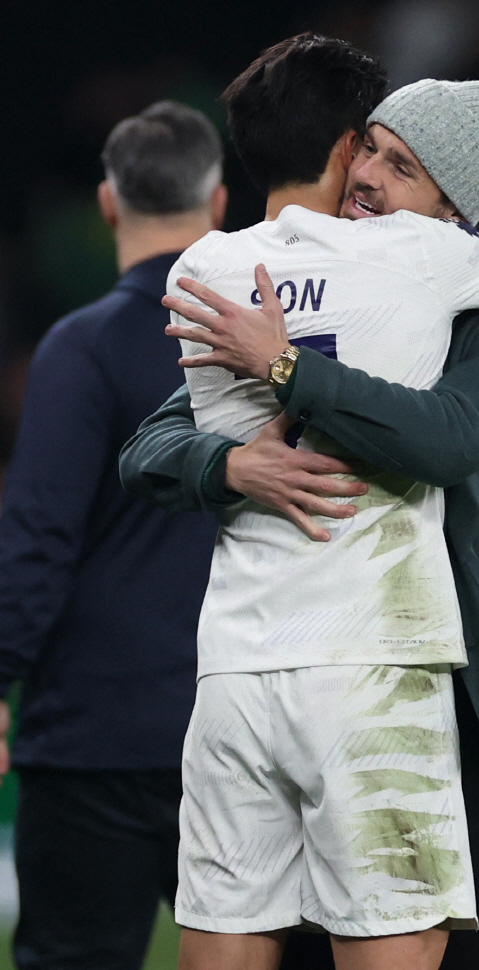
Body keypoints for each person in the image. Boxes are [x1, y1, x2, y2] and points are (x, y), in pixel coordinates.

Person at [122, 35, 479, 970]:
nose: (366, 176)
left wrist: (289, 371)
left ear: (457, 211)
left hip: (447, 683)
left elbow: (449, 437)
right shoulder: (312, 289)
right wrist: (232, 466)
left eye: (401, 166)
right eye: (368, 148)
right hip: (307, 666)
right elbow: (153, 444)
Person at [0, 101, 230, 970]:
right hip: (237, 722)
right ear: (216, 204)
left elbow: (38, 534)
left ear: (107, 203)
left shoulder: (82, 347)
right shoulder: (268, 344)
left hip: (93, 733)